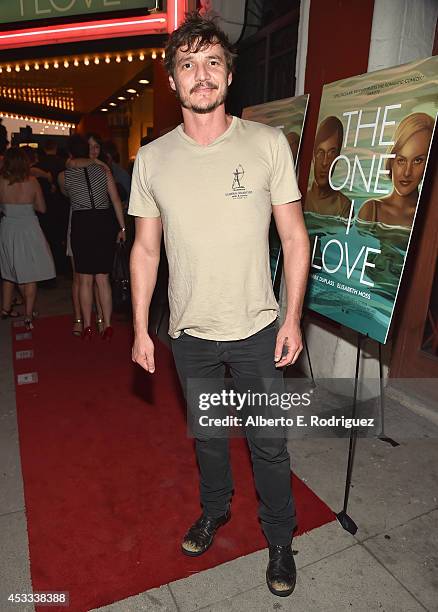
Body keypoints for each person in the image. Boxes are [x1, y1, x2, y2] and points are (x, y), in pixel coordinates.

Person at [129, 13, 310, 598]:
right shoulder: (153, 159)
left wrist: (292, 317)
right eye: (188, 65)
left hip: (258, 329)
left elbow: (294, 237)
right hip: (189, 334)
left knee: (268, 445)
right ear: (173, 81)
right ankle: (215, 511)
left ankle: (280, 539)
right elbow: (146, 249)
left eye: (212, 63)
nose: (201, 76)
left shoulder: (266, 143)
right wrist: (139, 330)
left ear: (229, 75)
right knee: (208, 437)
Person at [58, 135, 126, 340]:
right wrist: (122, 227)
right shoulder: (103, 170)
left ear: (71, 153)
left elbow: (66, 194)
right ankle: (107, 324)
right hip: (103, 222)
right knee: (103, 279)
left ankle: (87, 325)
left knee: (85, 279)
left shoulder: (64, 175)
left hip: (82, 223)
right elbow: (115, 200)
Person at [0, 147, 55, 329]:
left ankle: (5, 308)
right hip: (29, 228)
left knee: (8, 269)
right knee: (30, 272)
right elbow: (42, 208)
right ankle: (28, 315)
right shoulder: (32, 182)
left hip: (8, 228)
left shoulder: (1, 182)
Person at [357, 112, 434, 227]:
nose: (407, 172)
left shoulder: (429, 217)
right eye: (401, 160)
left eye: (417, 161)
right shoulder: (372, 210)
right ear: (392, 160)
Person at [304, 115, 351, 217]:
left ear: (337, 157)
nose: (325, 162)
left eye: (331, 153)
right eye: (321, 152)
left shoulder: (343, 206)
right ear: (313, 156)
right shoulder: (300, 198)